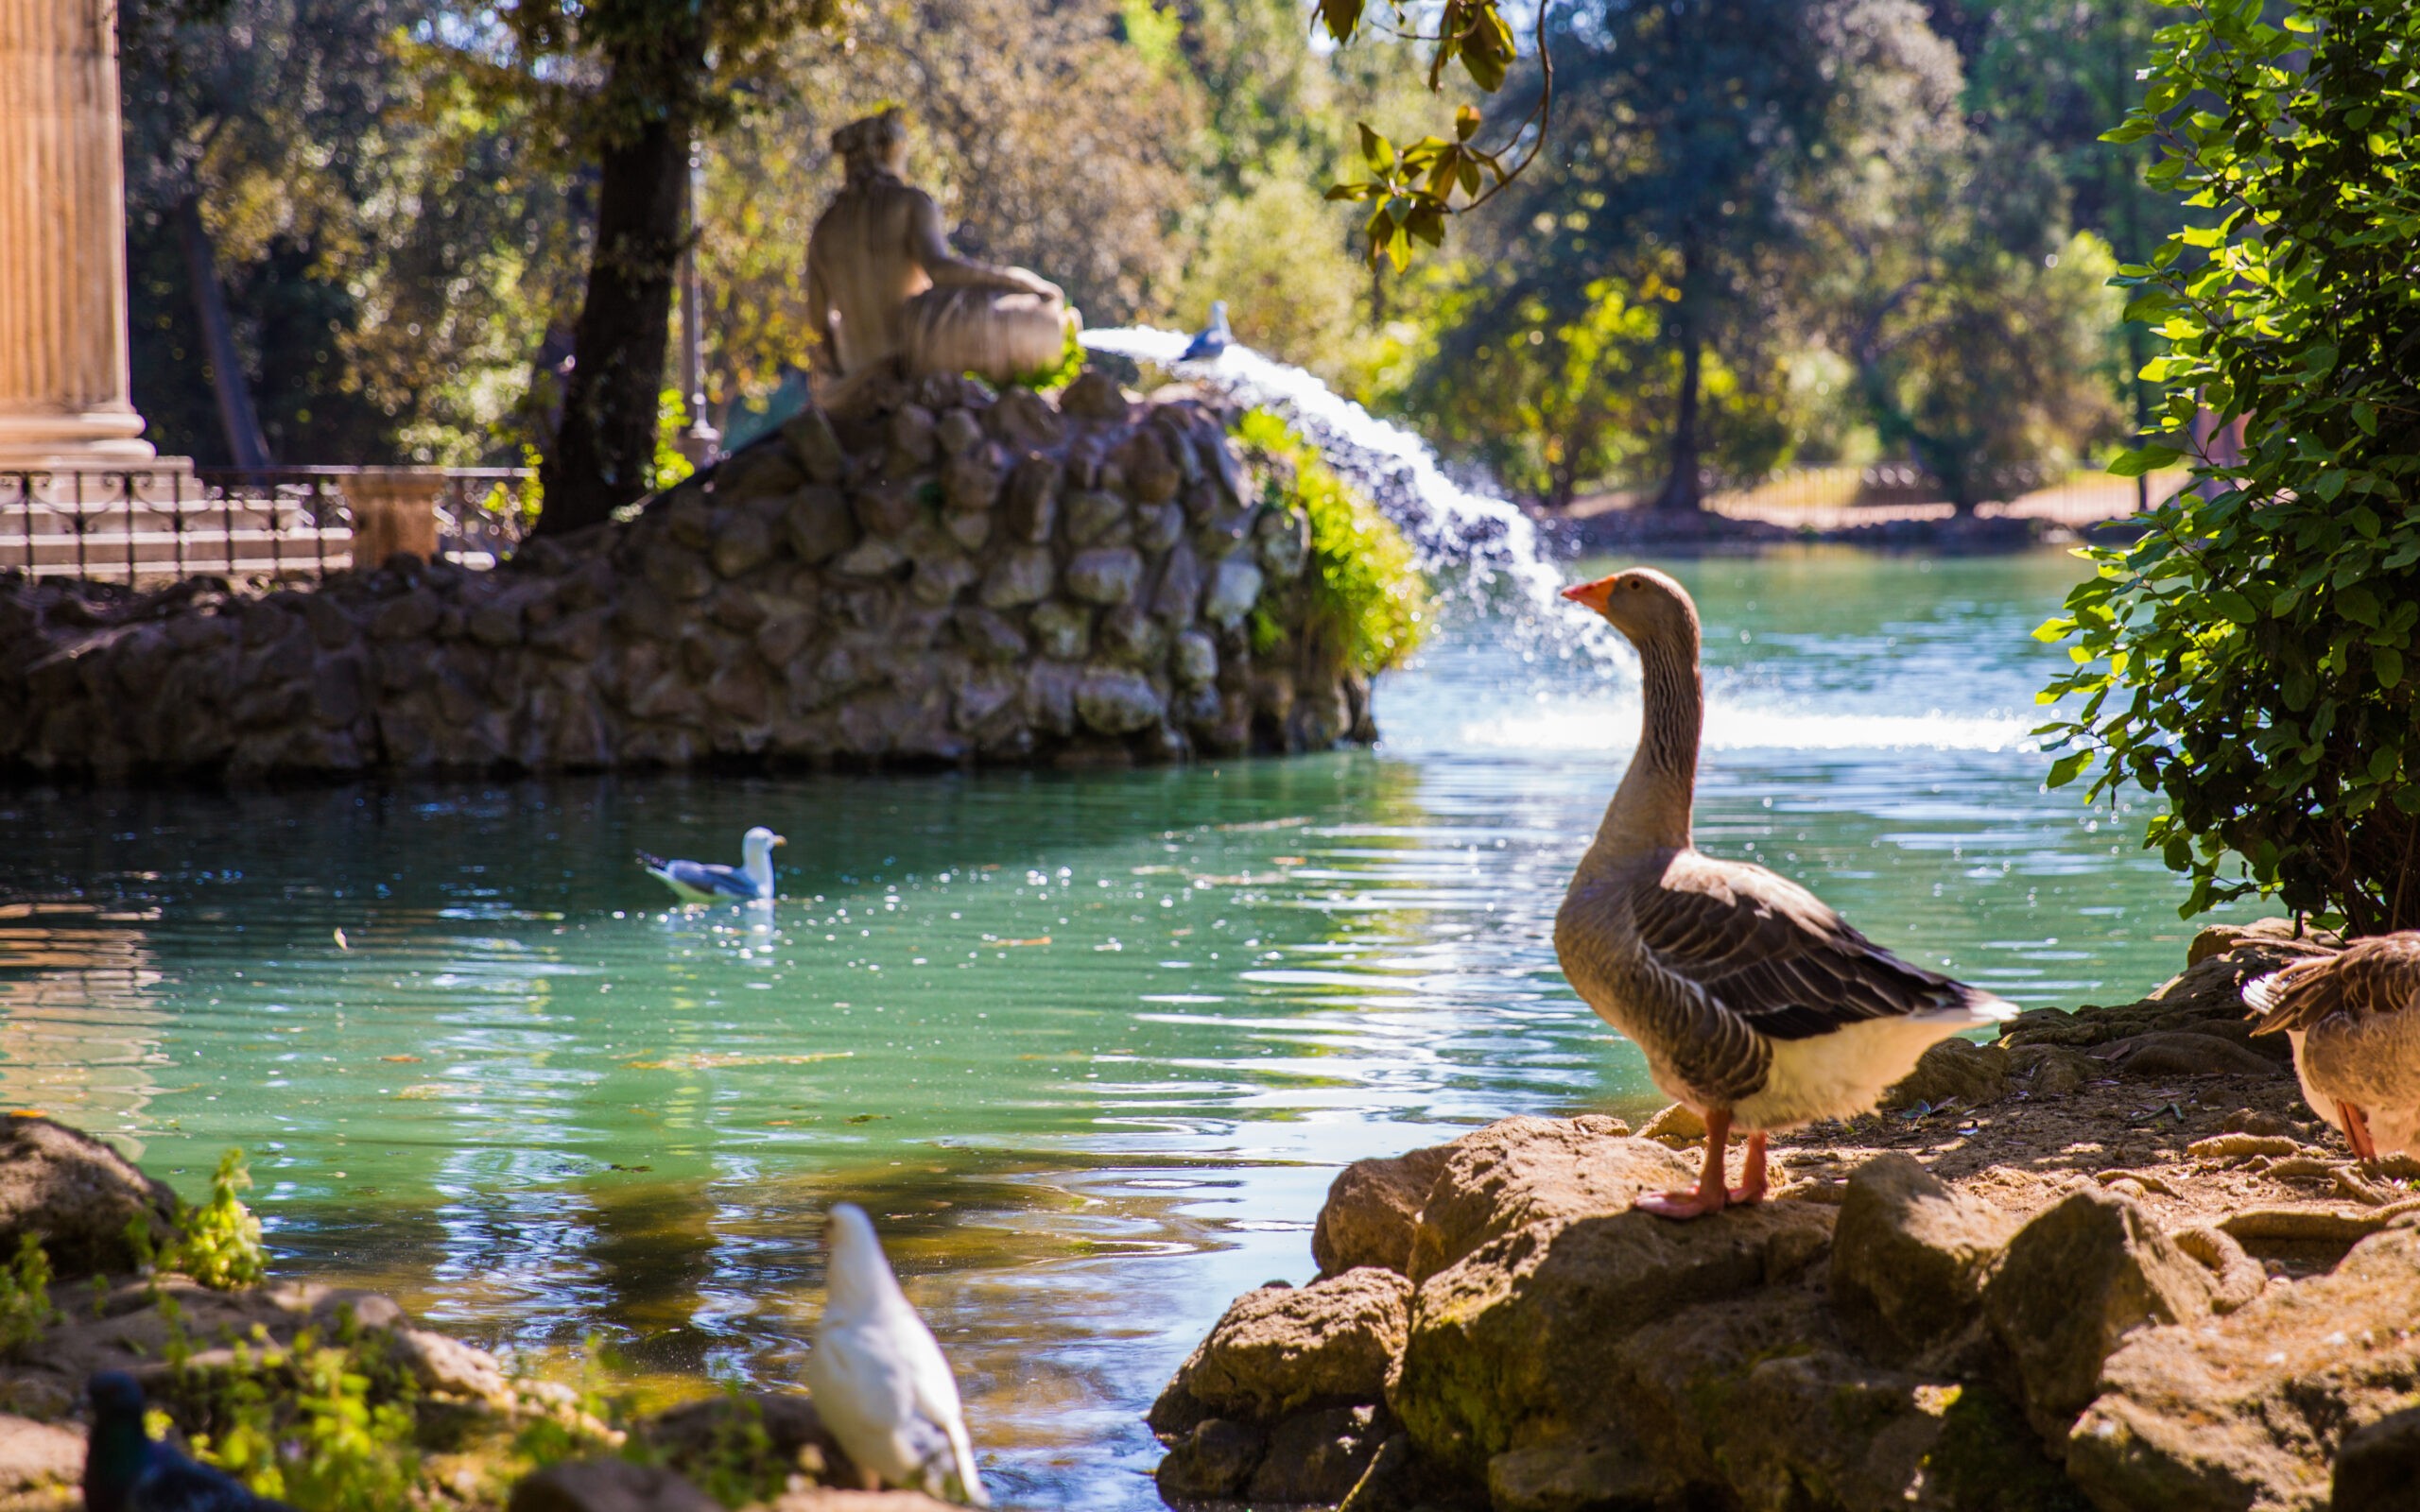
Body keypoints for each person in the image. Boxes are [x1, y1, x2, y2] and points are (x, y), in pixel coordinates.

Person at [804, 111, 1072, 393]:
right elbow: (941, 270)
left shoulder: (824, 226)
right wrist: (1016, 280)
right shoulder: (909, 203)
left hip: (855, 368)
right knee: (1042, 321)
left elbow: (817, 319)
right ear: (889, 152)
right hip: (915, 360)